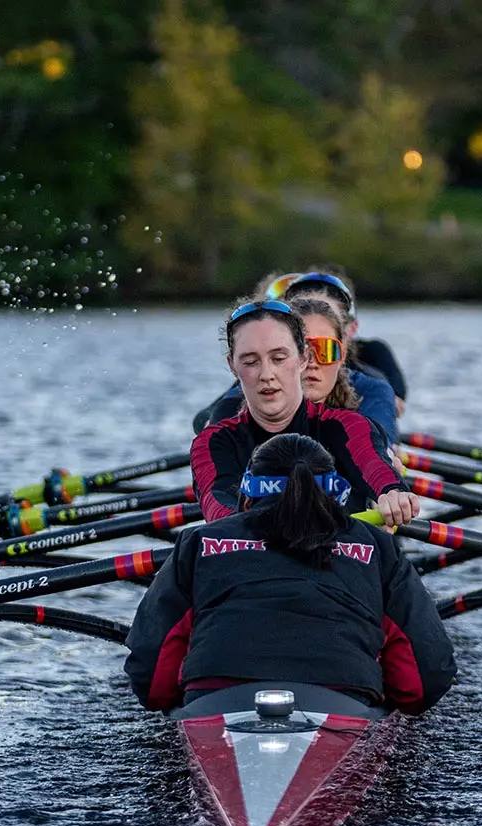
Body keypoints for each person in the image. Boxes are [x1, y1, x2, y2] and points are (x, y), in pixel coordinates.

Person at [125, 433, 455, 714]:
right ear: (336, 495)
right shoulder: (377, 546)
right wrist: (387, 706)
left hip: (214, 700)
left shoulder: (198, 540)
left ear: (247, 494)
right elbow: (427, 672)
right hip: (344, 702)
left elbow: (152, 669)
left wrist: (176, 705)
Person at [191, 298, 419, 526]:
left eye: (278, 358)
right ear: (232, 366)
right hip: (252, 546)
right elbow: (217, 504)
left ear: (303, 358)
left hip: (336, 547)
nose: (266, 375)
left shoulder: (349, 426)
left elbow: (373, 464)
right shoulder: (212, 442)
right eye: (250, 362)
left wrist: (393, 491)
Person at [191, 269, 409, 434]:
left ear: (344, 336)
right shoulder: (261, 384)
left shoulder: (373, 385)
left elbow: (378, 439)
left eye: (324, 346)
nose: (311, 361)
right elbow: (207, 419)